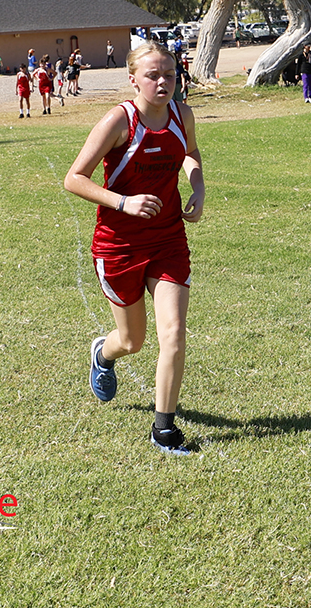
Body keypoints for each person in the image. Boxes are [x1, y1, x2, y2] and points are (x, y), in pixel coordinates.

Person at [63, 41, 205, 456]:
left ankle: (164, 429)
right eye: (153, 76)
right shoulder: (118, 121)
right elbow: (74, 178)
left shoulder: (183, 114)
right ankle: (103, 355)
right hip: (119, 246)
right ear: (133, 80)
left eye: (170, 75)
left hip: (167, 239)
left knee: (174, 334)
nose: (163, 83)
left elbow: (191, 153)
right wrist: (123, 202)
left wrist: (196, 185)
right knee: (132, 341)